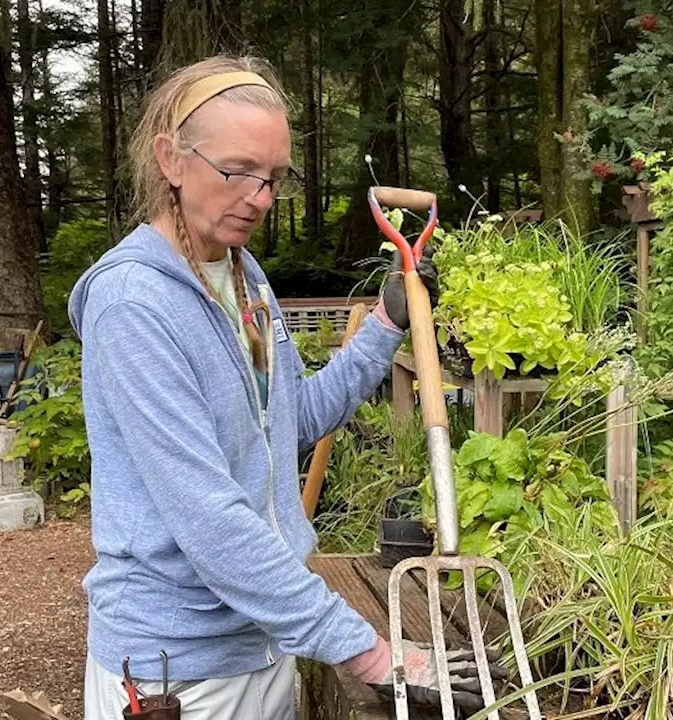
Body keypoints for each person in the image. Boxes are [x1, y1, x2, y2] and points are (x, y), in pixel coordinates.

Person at [70, 55, 489, 720]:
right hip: (175, 677)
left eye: (274, 179)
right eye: (237, 172)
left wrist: (385, 325)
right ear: (170, 159)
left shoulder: (243, 279)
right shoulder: (133, 307)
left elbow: (291, 419)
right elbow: (210, 521)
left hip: (264, 644)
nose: (260, 198)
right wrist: (372, 654)